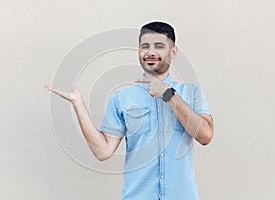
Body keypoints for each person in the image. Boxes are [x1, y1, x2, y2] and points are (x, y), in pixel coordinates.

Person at [45, 21, 214, 200]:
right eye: (145, 46)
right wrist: (78, 105)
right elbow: (102, 152)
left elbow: (205, 135)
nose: (150, 52)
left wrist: (168, 94)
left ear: (173, 52)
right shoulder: (121, 98)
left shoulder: (192, 93)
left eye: (159, 46)